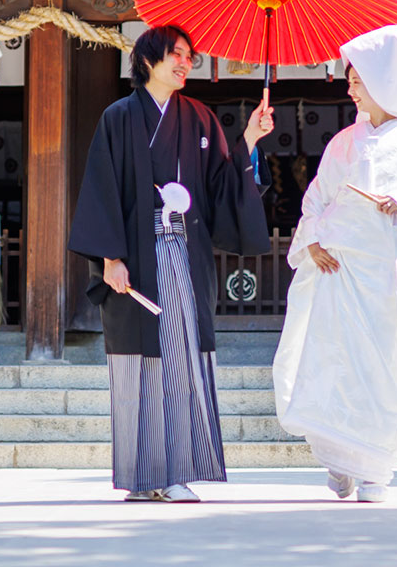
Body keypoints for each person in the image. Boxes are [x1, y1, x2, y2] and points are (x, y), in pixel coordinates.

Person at [69, 25, 274, 503]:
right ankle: (143, 476)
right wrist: (111, 258)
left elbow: (222, 185)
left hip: (182, 253)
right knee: (137, 364)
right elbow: (102, 187)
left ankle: (176, 470)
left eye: (189, 55)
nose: (185, 63)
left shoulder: (200, 118)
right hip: (136, 259)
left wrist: (250, 136)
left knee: (181, 357)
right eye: (175, 55)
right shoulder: (118, 117)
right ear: (146, 61)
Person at [273, 24, 397, 503]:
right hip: (339, 274)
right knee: (335, 365)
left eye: (357, 77)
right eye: (351, 77)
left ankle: (376, 469)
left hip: (385, 281)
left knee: (382, 372)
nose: (350, 85)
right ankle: (338, 460)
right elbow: (315, 198)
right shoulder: (344, 142)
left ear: (382, 82)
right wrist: (313, 239)